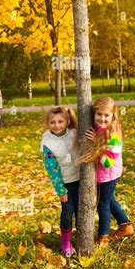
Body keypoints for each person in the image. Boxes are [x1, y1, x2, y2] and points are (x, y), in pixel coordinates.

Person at [77, 97, 133, 245]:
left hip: (108, 174)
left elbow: (107, 163)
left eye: (106, 115)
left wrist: (96, 145)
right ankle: (125, 226)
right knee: (109, 200)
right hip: (102, 174)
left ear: (113, 116)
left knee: (103, 204)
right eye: (99, 114)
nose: (102, 118)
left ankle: (103, 236)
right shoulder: (97, 128)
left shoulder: (114, 136)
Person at [41, 105, 80, 256]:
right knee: (67, 212)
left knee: (81, 210)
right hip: (66, 183)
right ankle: (65, 242)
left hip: (81, 179)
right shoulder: (47, 142)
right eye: (52, 122)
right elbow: (52, 168)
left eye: (60, 121)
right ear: (48, 123)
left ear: (68, 121)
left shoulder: (74, 132)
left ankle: (81, 237)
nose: (56, 125)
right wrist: (61, 189)